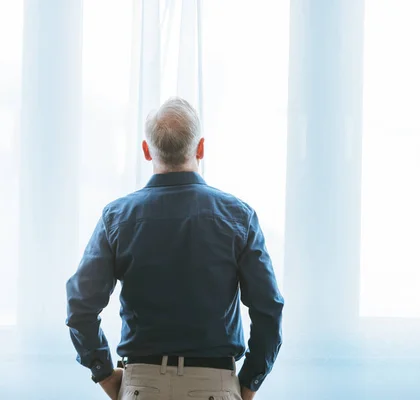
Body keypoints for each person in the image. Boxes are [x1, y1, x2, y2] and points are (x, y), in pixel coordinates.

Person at [66, 97, 284, 400]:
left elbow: (80, 306)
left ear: (146, 150)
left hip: (142, 386)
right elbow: (268, 309)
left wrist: (103, 371)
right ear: (201, 148)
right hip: (215, 387)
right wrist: (249, 382)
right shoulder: (238, 217)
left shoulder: (116, 218)